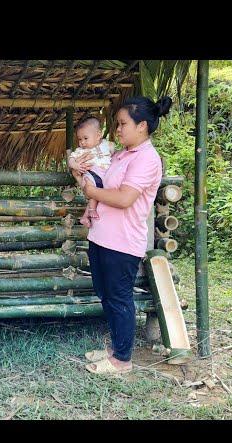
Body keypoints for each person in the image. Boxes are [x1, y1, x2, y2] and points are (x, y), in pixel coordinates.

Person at [68, 95, 172, 374]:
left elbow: (125, 198)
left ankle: (122, 359)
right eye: (117, 124)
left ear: (142, 126)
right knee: (106, 294)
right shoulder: (122, 154)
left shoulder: (148, 159)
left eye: (123, 124)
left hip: (123, 242)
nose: (118, 129)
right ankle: (116, 347)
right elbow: (100, 178)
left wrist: (91, 192)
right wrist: (81, 172)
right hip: (101, 236)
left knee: (119, 297)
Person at [66, 117, 115, 227]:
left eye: (85, 138)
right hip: (91, 174)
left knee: (97, 194)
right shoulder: (81, 151)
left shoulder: (105, 145)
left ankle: (85, 216)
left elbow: (113, 150)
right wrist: (76, 166)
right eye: (79, 139)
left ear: (98, 136)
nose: (82, 142)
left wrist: (112, 150)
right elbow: (71, 160)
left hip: (104, 176)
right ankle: (92, 210)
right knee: (92, 191)